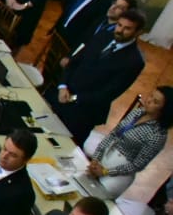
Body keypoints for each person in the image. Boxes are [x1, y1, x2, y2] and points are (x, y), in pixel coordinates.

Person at [51, 8, 146, 144]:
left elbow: (109, 93)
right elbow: (74, 62)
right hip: (63, 93)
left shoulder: (134, 61)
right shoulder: (103, 35)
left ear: (138, 32)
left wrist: (74, 98)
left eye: (127, 28)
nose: (119, 30)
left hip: (85, 111)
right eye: (119, 25)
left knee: (64, 144)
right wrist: (62, 86)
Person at [83, 87, 173, 197]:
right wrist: (96, 159)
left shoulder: (158, 135)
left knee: (97, 195)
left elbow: (137, 165)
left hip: (119, 172)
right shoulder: (138, 112)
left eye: (155, 102)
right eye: (151, 96)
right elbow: (113, 134)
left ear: (164, 110)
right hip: (106, 154)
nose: (149, 100)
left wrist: (106, 172)